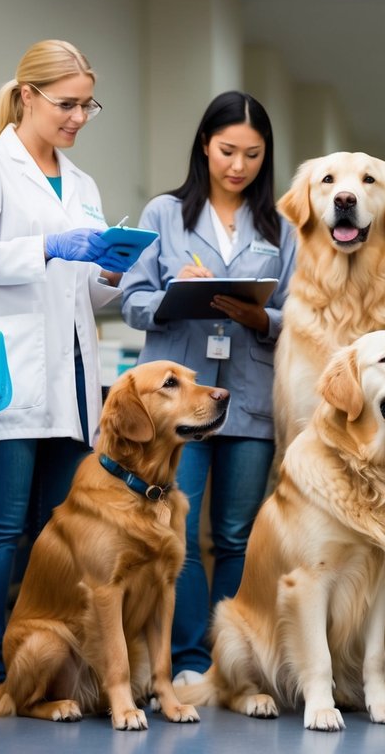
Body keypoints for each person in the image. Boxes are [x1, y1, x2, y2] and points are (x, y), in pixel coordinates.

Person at [0, 40, 128, 689]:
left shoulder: (82, 184)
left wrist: (112, 268)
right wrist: (48, 245)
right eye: (67, 104)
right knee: (1, 525)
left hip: (72, 375)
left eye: (88, 106)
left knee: (59, 533)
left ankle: (54, 668)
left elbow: (90, 289)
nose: (78, 118)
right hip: (9, 367)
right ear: (28, 96)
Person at [120, 91, 295, 684]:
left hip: (249, 398)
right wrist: (174, 293)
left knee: (237, 534)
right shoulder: (163, 215)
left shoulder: (283, 227)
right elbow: (132, 301)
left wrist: (262, 319)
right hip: (177, 409)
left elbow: (300, 312)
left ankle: (230, 656)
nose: (238, 166)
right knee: (179, 532)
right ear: (204, 145)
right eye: (227, 151)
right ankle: (189, 659)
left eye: (251, 154)